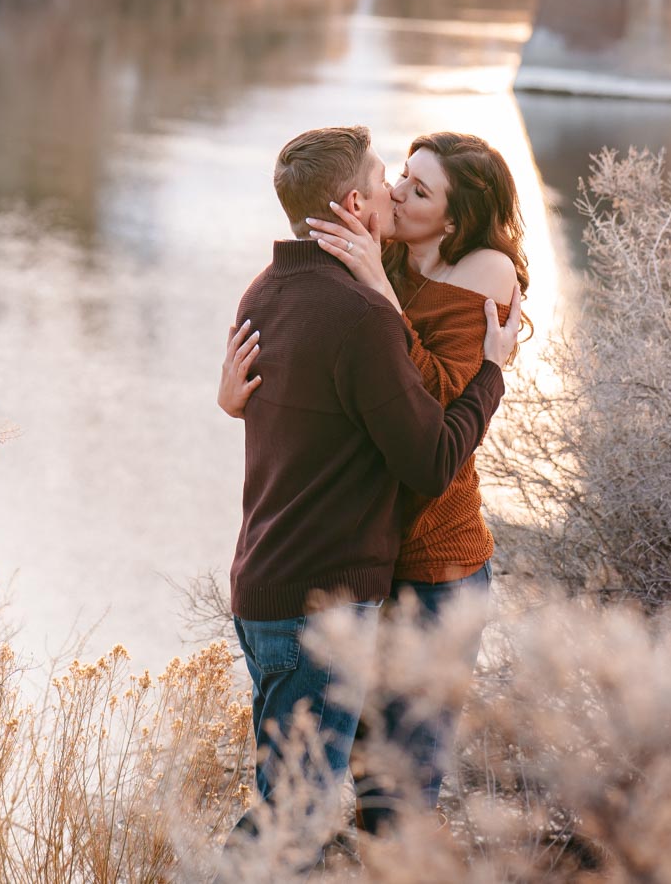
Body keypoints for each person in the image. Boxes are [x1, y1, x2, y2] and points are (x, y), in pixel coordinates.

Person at [221, 124, 518, 861]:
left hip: (432, 563)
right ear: (356, 201)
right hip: (355, 573)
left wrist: (485, 364)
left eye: (417, 188)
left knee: (390, 791)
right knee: (313, 800)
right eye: (395, 178)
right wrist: (234, 399)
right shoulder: (362, 273)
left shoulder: (470, 276)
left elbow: (432, 418)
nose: (396, 191)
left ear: (453, 217)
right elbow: (332, 378)